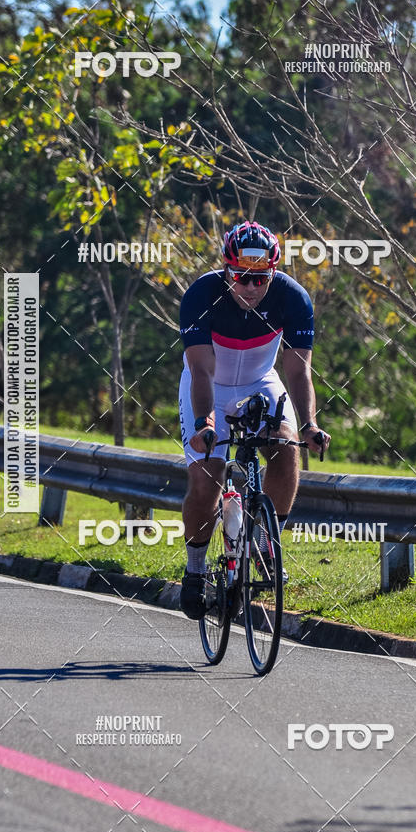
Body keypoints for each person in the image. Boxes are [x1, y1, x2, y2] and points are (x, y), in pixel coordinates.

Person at [178, 220, 331, 619]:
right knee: (207, 477)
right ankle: (194, 569)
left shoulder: (293, 299)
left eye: (260, 279)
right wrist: (204, 423)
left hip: (261, 382)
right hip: (209, 385)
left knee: (287, 449)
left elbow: (298, 371)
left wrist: (309, 425)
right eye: (241, 277)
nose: (250, 287)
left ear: (273, 273)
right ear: (226, 270)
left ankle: (263, 542)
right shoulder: (201, 295)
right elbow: (200, 370)